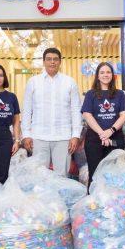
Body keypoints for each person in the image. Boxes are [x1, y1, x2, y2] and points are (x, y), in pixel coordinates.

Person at [21, 47, 81, 176]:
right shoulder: (33, 82)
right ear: (44, 62)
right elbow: (26, 110)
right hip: (39, 136)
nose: (52, 62)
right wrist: (26, 134)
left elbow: (75, 110)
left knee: (62, 176)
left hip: (63, 137)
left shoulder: (69, 82)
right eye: (48, 59)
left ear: (60, 62)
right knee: (39, 176)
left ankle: (60, 197)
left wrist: (75, 135)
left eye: (55, 59)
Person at [81, 62, 125, 187]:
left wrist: (110, 131)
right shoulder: (91, 94)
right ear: (97, 76)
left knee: (114, 176)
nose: (105, 75)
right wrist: (102, 134)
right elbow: (87, 114)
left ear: (113, 75)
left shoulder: (119, 94)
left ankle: (113, 205)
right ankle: (94, 204)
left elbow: (124, 114)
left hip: (115, 139)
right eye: (102, 72)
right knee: (95, 175)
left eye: (108, 72)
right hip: (94, 140)